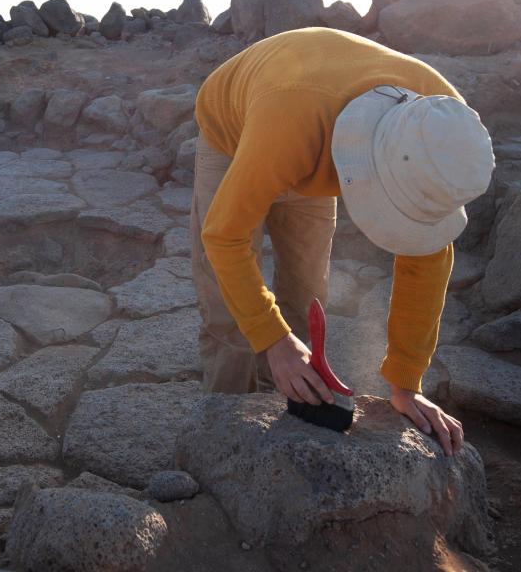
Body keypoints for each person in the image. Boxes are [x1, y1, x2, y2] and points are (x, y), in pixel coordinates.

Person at [190, 27, 495, 456]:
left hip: (309, 127)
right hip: (239, 129)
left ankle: (289, 398)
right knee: (229, 312)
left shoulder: (447, 129)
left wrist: (407, 383)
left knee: (307, 286)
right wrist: (272, 339)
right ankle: (220, 437)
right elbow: (224, 237)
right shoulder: (290, 120)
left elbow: (427, 257)